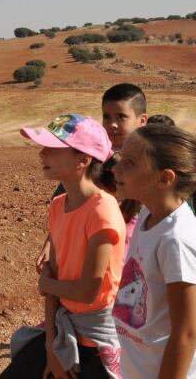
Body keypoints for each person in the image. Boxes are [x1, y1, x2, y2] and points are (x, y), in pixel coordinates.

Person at [0, 115, 124, 379]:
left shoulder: (103, 211)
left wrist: (47, 286)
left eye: (53, 149)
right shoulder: (59, 205)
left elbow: (87, 291)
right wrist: (51, 347)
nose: (42, 153)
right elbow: (53, 273)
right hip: (63, 331)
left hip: (95, 343)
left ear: (83, 160)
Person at [111, 125, 196, 378]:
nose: (116, 168)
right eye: (120, 157)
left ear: (164, 178)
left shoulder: (177, 240)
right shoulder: (147, 216)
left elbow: (186, 333)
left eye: (129, 162)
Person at [37, 84, 148, 271]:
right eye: (106, 117)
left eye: (121, 117)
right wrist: (50, 243)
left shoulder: (151, 165)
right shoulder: (94, 163)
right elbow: (68, 206)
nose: (112, 124)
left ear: (142, 120)